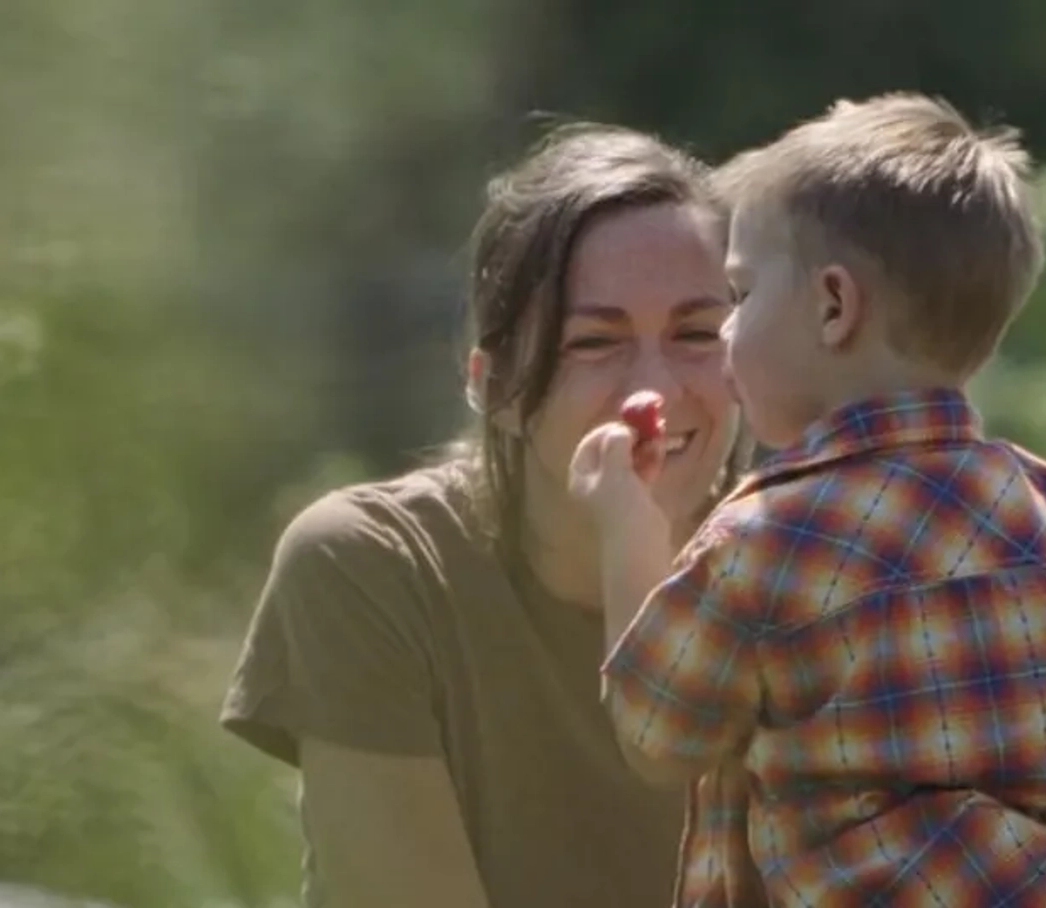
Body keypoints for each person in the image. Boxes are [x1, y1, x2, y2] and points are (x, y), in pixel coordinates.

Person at [570, 93, 1046, 907]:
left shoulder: (768, 538)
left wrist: (625, 527)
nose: (724, 333)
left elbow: (657, 732)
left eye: (741, 296)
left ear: (832, 306)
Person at [219, 121, 752, 908]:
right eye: (595, 343)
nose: (656, 393)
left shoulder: (805, 576)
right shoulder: (371, 569)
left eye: (697, 333)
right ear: (494, 384)